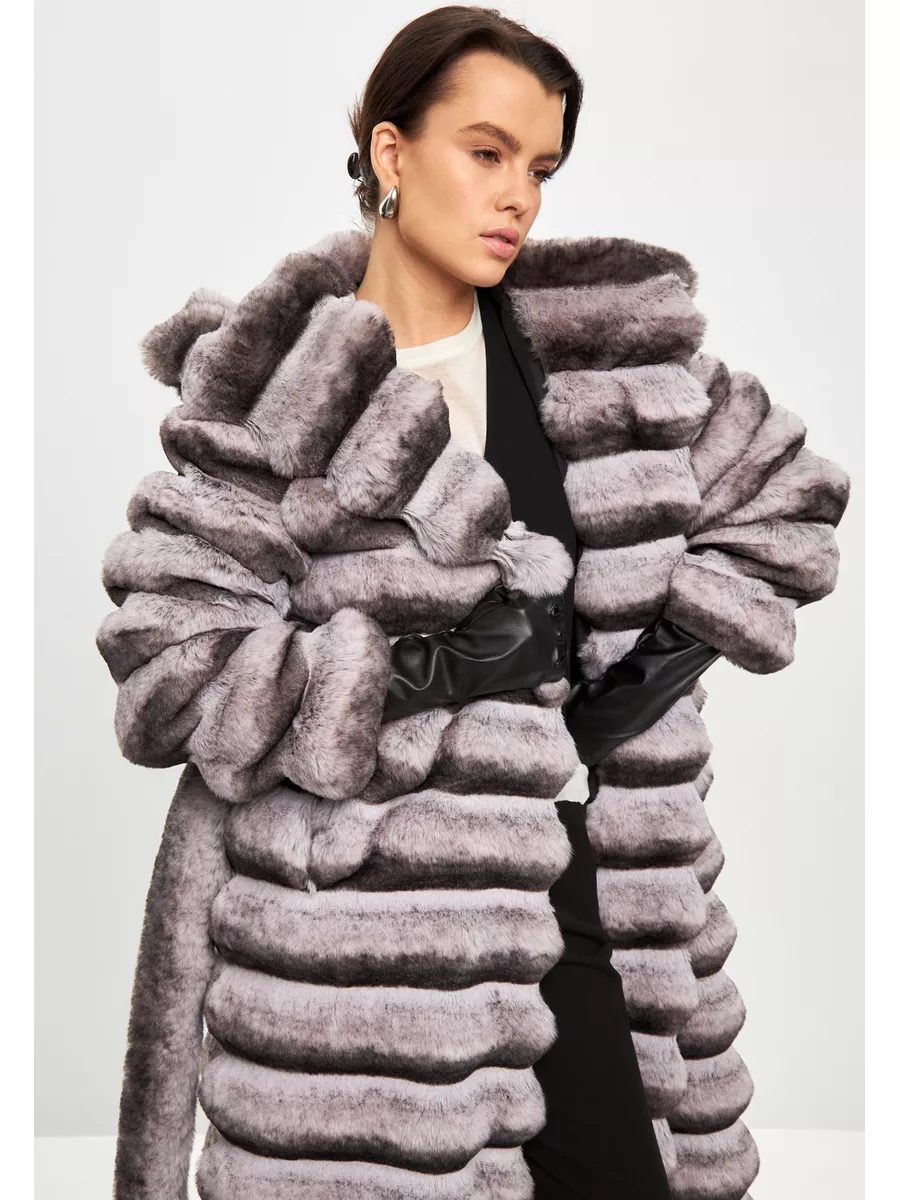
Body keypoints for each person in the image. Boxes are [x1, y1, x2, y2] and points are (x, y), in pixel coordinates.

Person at [97, 8, 851, 1200]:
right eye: (486, 152)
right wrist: (434, 670)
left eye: (541, 167)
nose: (518, 198)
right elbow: (173, 673)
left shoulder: (610, 365)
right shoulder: (270, 399)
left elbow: (787, 500)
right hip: (372, 964)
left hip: (598, 901)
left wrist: (642, 677)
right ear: (392, 153)